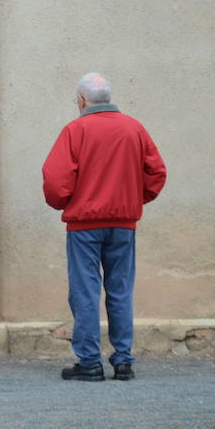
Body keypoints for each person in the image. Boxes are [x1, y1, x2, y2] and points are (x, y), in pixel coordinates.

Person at [42, 73, 167, 381]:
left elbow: (56, 180)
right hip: (123, 225)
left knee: (85, 291)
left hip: (83, 226)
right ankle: (123, 360)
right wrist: (132, 200)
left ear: (82, 100)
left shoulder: (75, 130)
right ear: (108, 98)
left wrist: (67, 203)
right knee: (120, 289)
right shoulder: (134, 128)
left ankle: (90, 362)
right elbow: (156, 172)